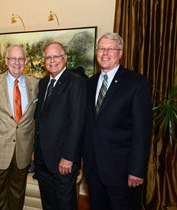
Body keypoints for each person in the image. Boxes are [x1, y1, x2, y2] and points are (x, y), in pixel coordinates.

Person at [82, 32, 152, 210]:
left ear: (120, 53)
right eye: (101, 49)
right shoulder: (90, 83)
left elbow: (142, 131)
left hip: (122, 172)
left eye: (110, 49)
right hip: (93, 169)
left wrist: (137, 170)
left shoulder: (136, 83)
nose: (104, 53)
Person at [34, 41, 87, 210]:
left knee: (65, 205)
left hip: (63, 160)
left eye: (56, 56)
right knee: (48, 204)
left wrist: (69, 156)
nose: (52, 60)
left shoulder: (76, 82)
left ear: (65, 58)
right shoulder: (43, 84)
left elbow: (77, 122)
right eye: (48, 57)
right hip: (42, 160)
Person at [0, 45, 39, 210]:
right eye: (13, 59)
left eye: (20, 59)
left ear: (26, 61)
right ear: (6, 61)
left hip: (23, 152)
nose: (17, 62)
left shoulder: (36, 84)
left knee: (17, 197)